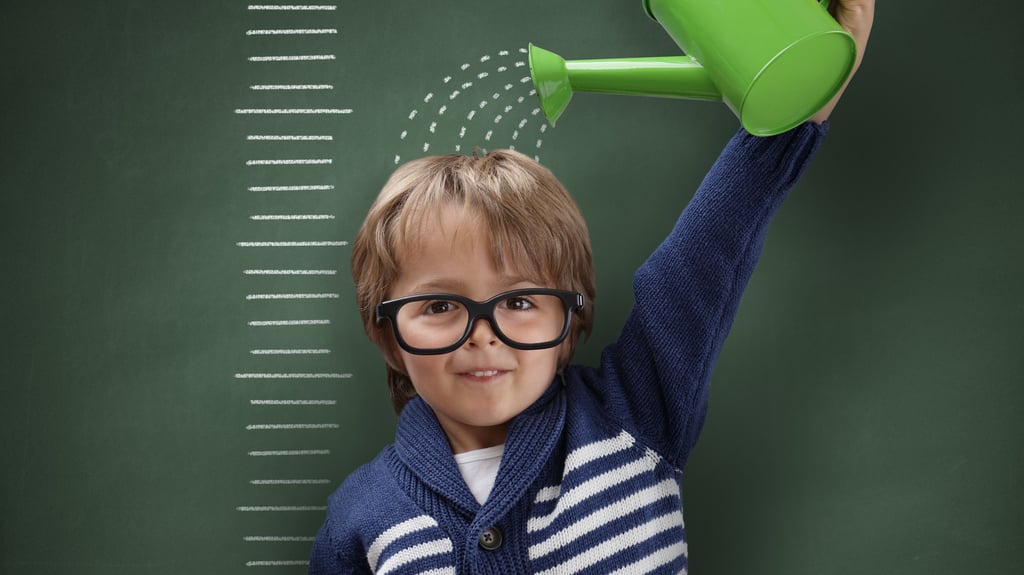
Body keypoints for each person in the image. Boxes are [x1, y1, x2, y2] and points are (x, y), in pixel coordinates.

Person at [310, 1, 874, 573]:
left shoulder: (635, 414)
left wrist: (807, 92)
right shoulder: (359, 520)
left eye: (521, 301)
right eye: (438, 305)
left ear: (569, 324)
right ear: (387, 337)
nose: (482, 336)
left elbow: (707, 251)